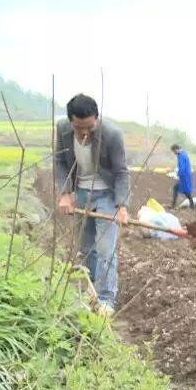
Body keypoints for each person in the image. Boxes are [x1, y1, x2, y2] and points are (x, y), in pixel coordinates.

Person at [54, 93, 131, 318]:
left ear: (96, 119)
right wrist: (66, 193)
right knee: (87, 247)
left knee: (106, 249)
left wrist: (122, 206)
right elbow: (59, 161)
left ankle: (106, 299)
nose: (84, 133)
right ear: (71, 122)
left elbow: (121, 172)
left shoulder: (112, 134)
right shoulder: (62, 129)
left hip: (107, 194)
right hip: (82, 193)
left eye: (89, 127)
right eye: (79, 128)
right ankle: (92, 293)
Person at [170, 144, 195, 209]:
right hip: (186, 175)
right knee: (185, 191)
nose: (174, 153)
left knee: (177, 189)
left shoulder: (181, 156)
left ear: (176, 149)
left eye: (173, 151)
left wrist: (178, 174)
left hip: (184, 176)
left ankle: (173, 205)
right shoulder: (184, 154)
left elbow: (182, 167)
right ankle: (192, 205)